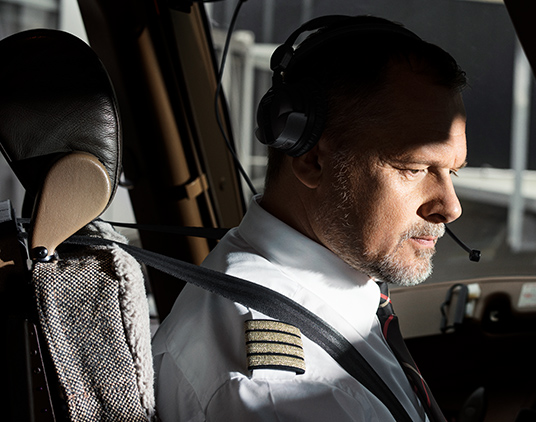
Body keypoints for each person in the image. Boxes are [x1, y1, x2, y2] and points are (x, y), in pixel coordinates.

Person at [151, 15, 468, 421]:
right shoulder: (282, 392)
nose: (450, 206)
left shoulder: (338, 290)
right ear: (313, 160)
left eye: (452, 171)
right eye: (414, 167)